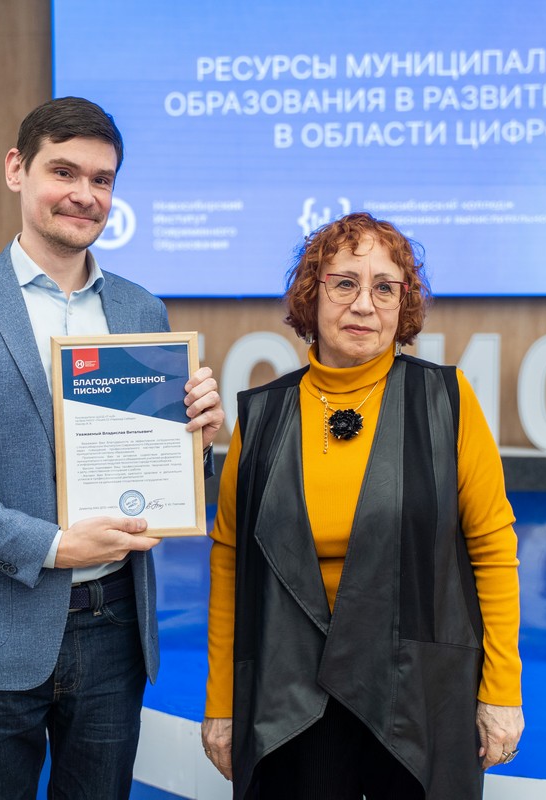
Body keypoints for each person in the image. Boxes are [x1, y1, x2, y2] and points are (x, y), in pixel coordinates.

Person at [0, 96, 224, 800]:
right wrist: (52, 545)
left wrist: (195, 444)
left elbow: (164, 478)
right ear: (17, 169)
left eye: (102, 179)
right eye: (63, 172)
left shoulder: (140, 310)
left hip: (115, 627)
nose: (84, 195)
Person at [200, 212, 523, 799]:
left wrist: (502, 691)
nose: (364, 305)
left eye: (384, 287)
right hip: (290, 699)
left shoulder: (446, 400)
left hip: (419, 694)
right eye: (344, 283)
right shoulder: (263, 416)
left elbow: (493, 548)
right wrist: (222, 701)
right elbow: (230, 563)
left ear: (404, 303)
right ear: (312, 294)